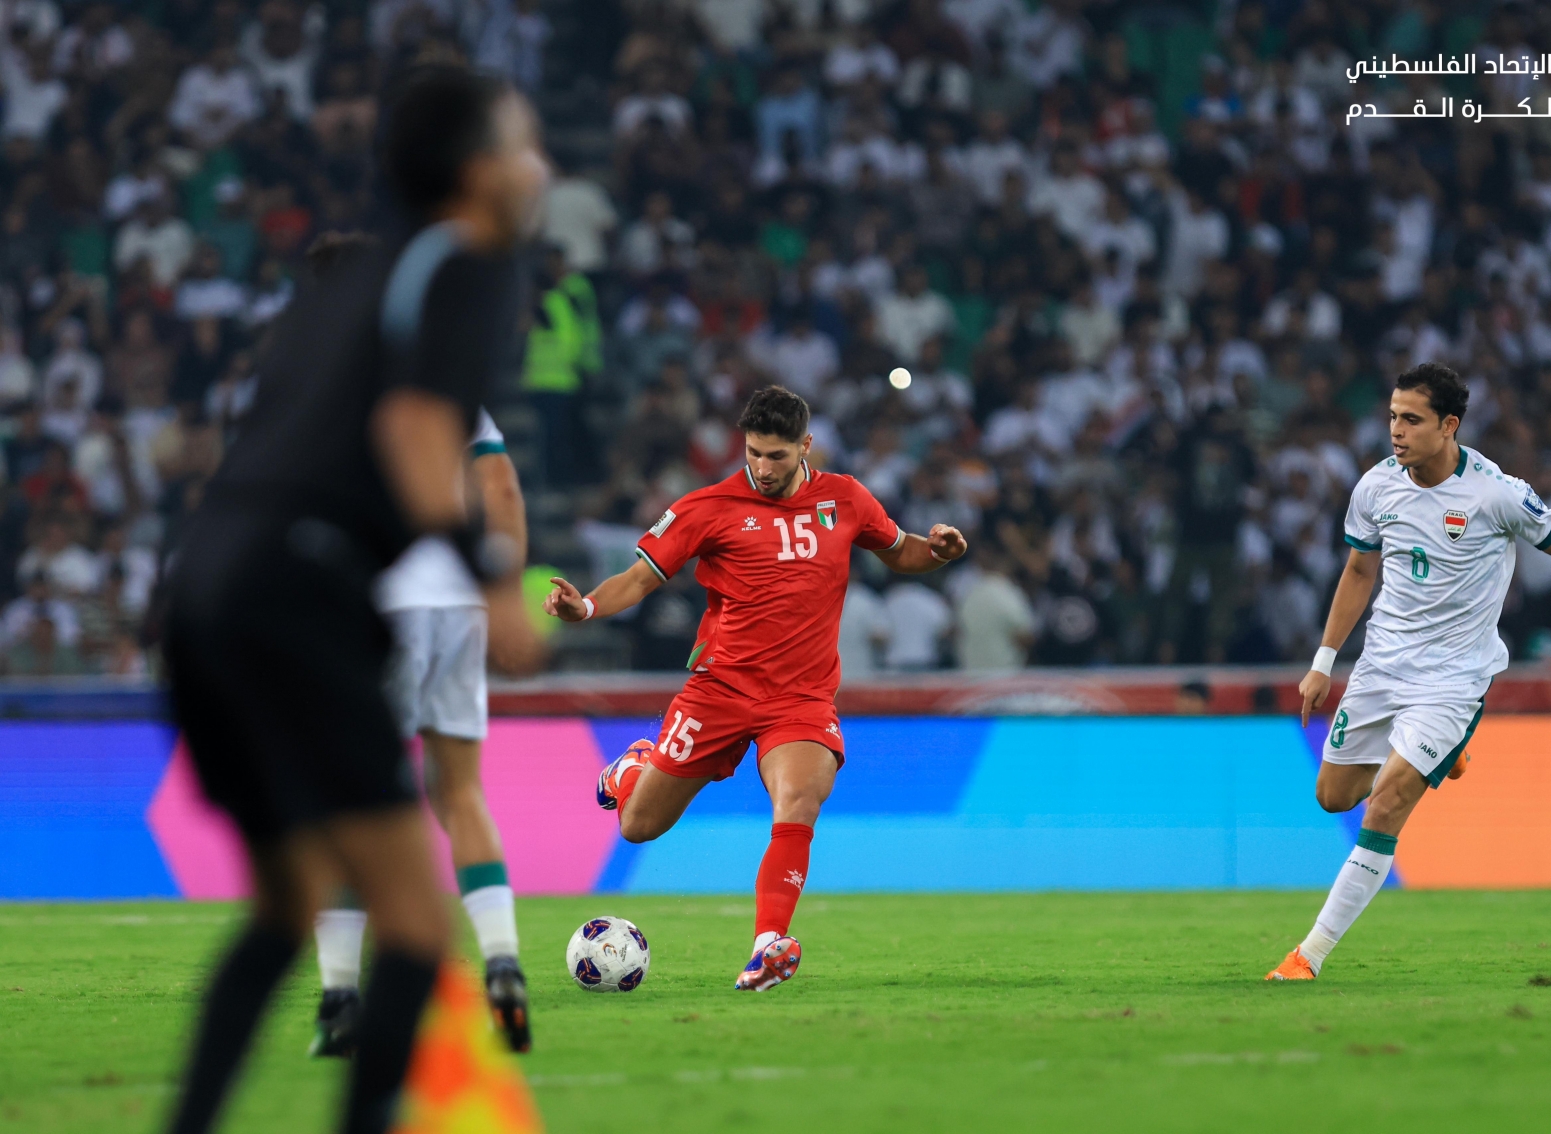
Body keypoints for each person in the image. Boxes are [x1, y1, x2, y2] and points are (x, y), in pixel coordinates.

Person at [159, 67, 547, 1134]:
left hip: (206, 592)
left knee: (286, 907)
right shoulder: (464, 264)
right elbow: (416, 432)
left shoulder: (341, 296)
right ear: (475, 171)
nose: (540, 168)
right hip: (303, 593)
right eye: (523, 145)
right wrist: (494, 583)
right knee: (416, 926)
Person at [543, 386, 967, 991]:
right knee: (638, 826)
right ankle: (633, 767)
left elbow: (901, 553)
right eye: (753, 453)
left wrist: (938, 552)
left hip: (801, 699)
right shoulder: (709, 506)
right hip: (719, 691)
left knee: (800, 801)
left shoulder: (846, 498)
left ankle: (767, 946)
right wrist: (584, 607)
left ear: (806, 446)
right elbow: (638, 580)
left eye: (776, 456)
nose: (763, 468)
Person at [1267, 363, 1551, 982]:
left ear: (1449, 425)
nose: (1396, 431)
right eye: (1392, 417)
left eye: (1411, 419)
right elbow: (1358, 571)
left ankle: (1308, 955)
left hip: (1455, 678)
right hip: (1382, 666)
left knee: (1385, 805)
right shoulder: (1376, 486)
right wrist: (1323, 663)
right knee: (1332, 797)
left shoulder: (1496, 493)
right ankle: (1441, 753)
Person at [310, 388, 533, 1052]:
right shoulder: (459, 394)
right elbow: (502, 490)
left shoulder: (349, 395)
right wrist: (506, 596)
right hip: (461, 603)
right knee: (461, 792)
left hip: (382, 604)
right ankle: (503, 961)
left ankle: (340, 997)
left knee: (350, 799)